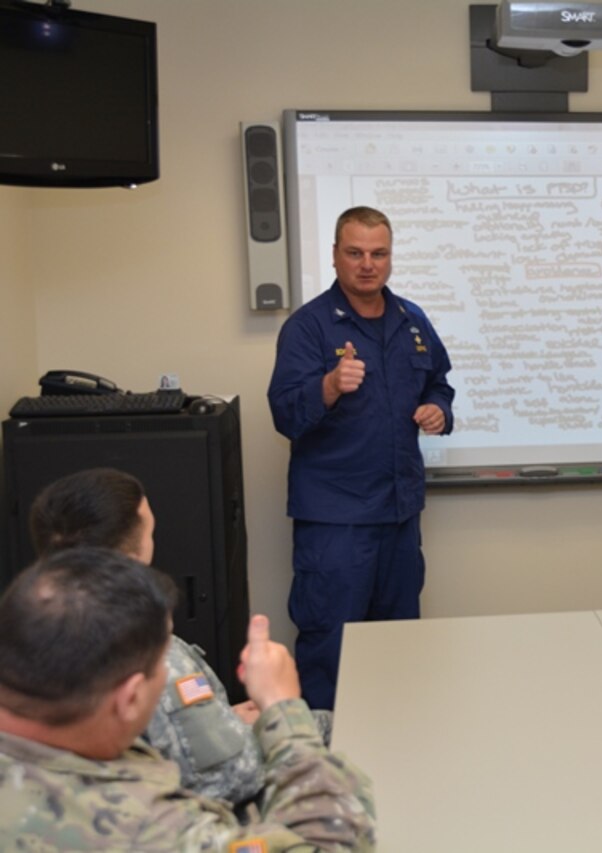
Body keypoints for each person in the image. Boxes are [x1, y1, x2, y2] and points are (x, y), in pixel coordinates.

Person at [0, 547, 375, 850]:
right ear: (130, 698)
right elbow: (333, 841)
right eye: (162, 665)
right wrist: (282, 707)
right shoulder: (145, 830)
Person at [27, 466, 332, 805]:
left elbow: (166, 735)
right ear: (132, 557)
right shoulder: (151, 651)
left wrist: (222, 720)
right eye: (151, 531)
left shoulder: (30, 633)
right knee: (333, 729)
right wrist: (278, 710)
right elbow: (231, 780)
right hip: (208, 819)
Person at [268, 205, 455, 710]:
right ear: (335, 256)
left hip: (398, 514)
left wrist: (438, 409)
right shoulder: (308, 328)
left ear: (390, 257)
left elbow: (439, 380)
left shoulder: (411, 319)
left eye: (378, 253)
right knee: (332, 649)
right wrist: (328, 386)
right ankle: (325, 770)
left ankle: (399, 751)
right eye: (355, 253)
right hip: (336, 521)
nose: (367, 264)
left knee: (398, 648)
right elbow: (284, 413)